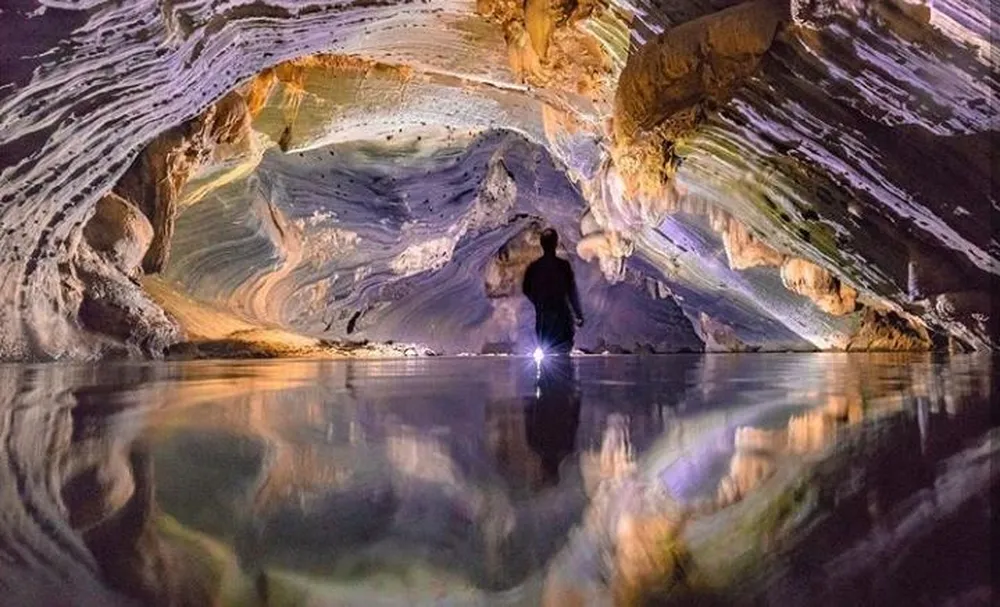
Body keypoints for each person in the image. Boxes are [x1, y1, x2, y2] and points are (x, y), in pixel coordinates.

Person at [522, 228, 584, 354]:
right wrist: (578, 313)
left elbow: (526, 288)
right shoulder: (563, 266)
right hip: (562, 316)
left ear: (542, 244)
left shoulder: (534, 267)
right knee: (563, 355)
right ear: (555, 244)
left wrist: (537, 301)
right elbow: (571, 291)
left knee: (547, 352)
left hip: (544, 316)